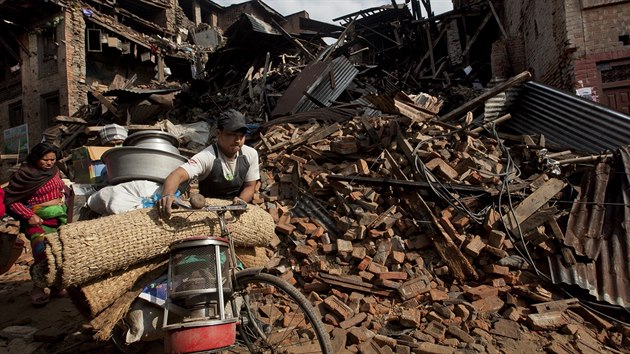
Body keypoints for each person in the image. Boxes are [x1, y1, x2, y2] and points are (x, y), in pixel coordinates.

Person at [159, 109, 259, 217]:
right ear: (218, 133)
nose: (238, 141)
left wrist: (241, 201)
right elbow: (177, 175)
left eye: (241, 136)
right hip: (208, 211)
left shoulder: (250, 154)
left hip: (234, 211)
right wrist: (168, 195)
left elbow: (250, 186)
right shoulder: (207, 156)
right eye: (232, 134)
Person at [3, 142, 68, 306]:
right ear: (35, 158)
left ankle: (55, 287)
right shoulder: (24, 175)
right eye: (45, 160)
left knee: (60, 252)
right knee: (42, 251)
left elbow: (61, 187)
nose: (49, 163)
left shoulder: (54, 171)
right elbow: (11, 201)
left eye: (53, 160)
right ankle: (38, 288)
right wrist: (29, 214)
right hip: (36, 219)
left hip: (57, 217)